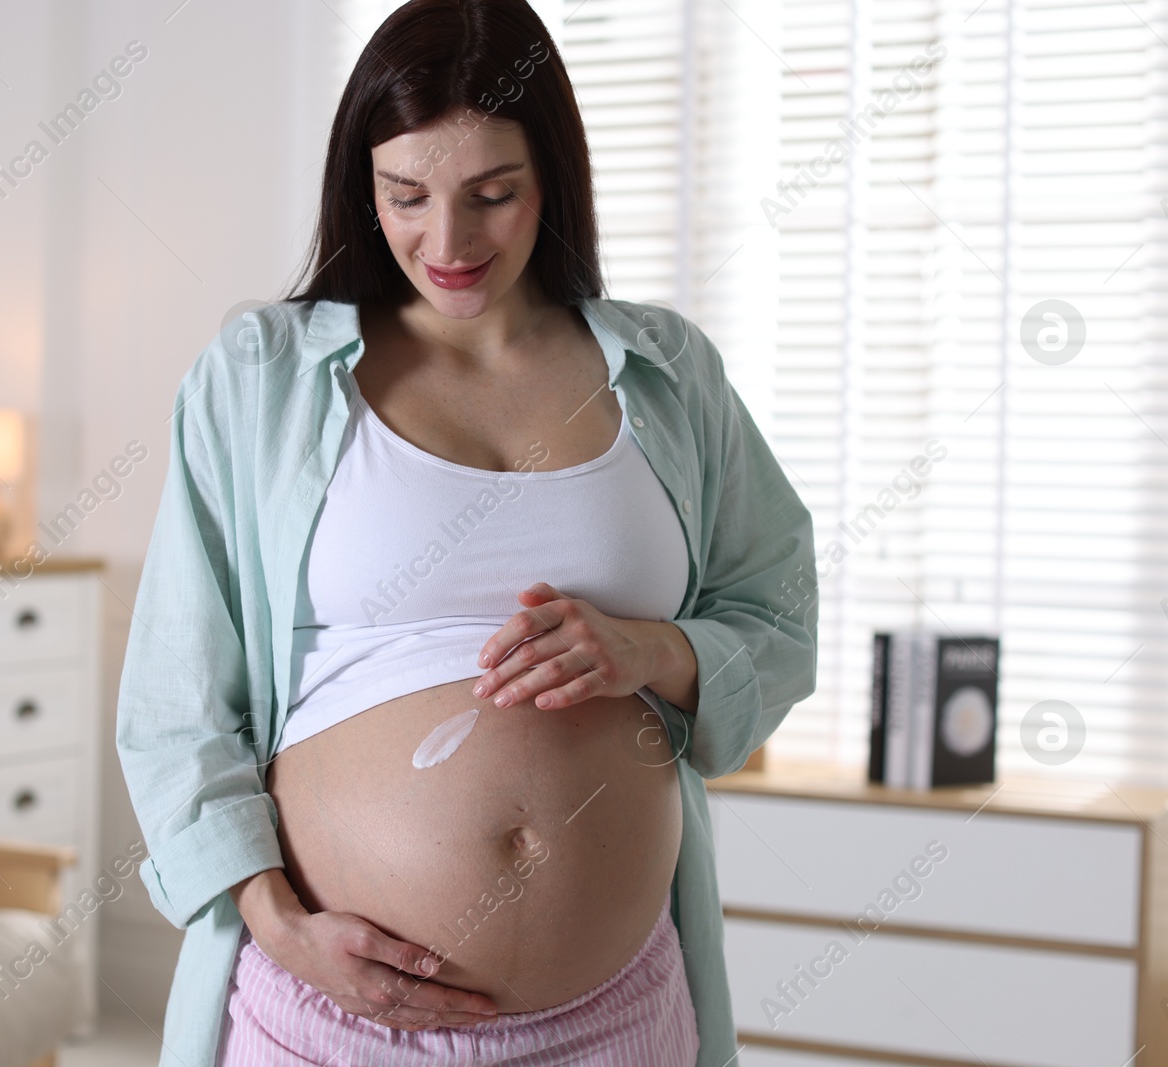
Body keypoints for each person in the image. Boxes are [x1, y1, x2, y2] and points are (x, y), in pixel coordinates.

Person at [116, 1, 817, 1063]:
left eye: (492, 194)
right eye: (406, 195)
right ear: (365, 185)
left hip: (615, 1017)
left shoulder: (667, 375)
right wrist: (277, 920)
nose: (445, 242)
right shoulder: (261, 378)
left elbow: (779, 608)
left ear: (553, 182)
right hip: (335, 1014)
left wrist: (653, 648)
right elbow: (176, 700)